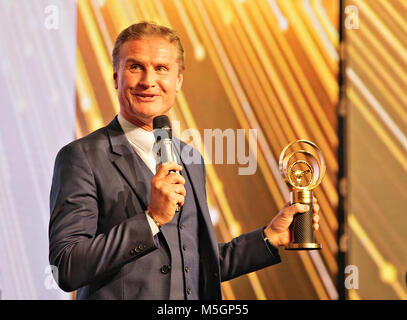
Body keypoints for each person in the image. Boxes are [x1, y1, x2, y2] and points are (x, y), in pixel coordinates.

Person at [48, 22, 320, 300]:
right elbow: (66, 266)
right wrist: (151, 219)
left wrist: (269, 237)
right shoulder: (81, 157)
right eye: (135, 67)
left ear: (178, 81)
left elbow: (194, 265)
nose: (148, 81)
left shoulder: (191, 160)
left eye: (161, 68)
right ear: (116, 77)